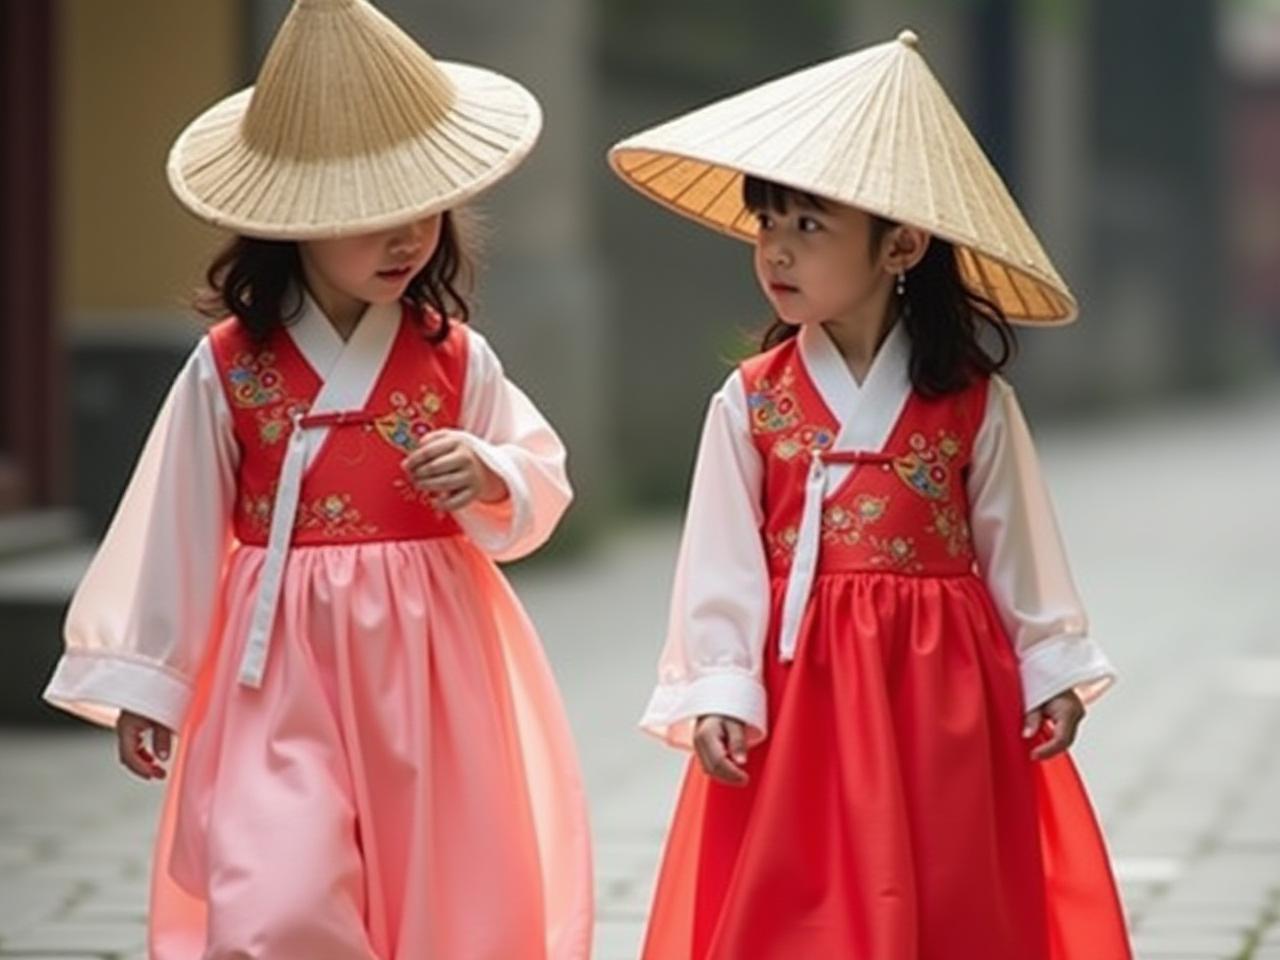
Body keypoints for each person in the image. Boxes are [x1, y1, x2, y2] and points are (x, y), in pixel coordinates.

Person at [43, 1, 592, 956]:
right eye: (371, 215)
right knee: (279, 894)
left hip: (429, 654)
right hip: (276, 664)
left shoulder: (455, 359)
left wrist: (490, 470)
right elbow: (176, 519)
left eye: (420, 208)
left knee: (440, 885)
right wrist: (149, 679)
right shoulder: (231, 366)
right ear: (289, 220)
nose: (405, 238)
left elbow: (538, 477)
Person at [609, 29, 1131, 959]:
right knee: (803, 892)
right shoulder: (752, 399)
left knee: (945, 880)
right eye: (768, 223)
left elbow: (1018, 545)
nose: (775, 250)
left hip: (943, 686)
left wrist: (1050, 664)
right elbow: (720, 557)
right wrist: (722, 684)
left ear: (902, 243)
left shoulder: (971, 401)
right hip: (799, 683)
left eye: (808, 226)